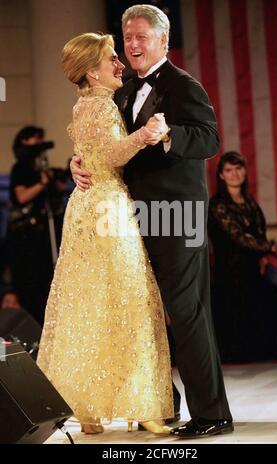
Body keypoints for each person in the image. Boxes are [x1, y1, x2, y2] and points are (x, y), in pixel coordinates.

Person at [71, 5, 233, 438]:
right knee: (142, 315)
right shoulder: (120, 91)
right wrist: (78, 162)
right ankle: (162, 405)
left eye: (142, 36)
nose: (134, 45)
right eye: (128, 38)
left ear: (163, 40)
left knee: (186, 313)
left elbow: (211, 139)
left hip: (179, 216)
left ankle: (212, 414)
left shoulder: (183, 86)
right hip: (132, 218)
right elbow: (109, 146)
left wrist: (169, 134)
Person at [37, 32, 174, 436]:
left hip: (85, 209)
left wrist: (80, 160)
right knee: (129, 299)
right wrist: (148, 132)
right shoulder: (100, 106)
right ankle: (141, 405)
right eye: (112, 59)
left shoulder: (86, 104)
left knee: (87, 303)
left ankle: (88, 408)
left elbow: (90, 152)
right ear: (92, 73)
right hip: (108, 209)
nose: (119, 64)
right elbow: (113, 154)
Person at [208, 151, 277, 363]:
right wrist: (269, 247)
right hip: (230, 274)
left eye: (238, 168)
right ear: (221, 176)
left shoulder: (250, 202)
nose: (234, 174)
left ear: (245, 171)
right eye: (228, 170)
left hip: (253, 270)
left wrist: (263, 255)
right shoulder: (217, 204)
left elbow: (258, 233)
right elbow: (238, 237)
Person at [8, 126, 55, 325]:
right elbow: (21, 196)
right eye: (33, 139)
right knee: (31, 286)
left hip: (42, 233)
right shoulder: (20, 168)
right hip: (26, 237)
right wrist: (42, 184)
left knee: (45, 284)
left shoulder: (39, 167)